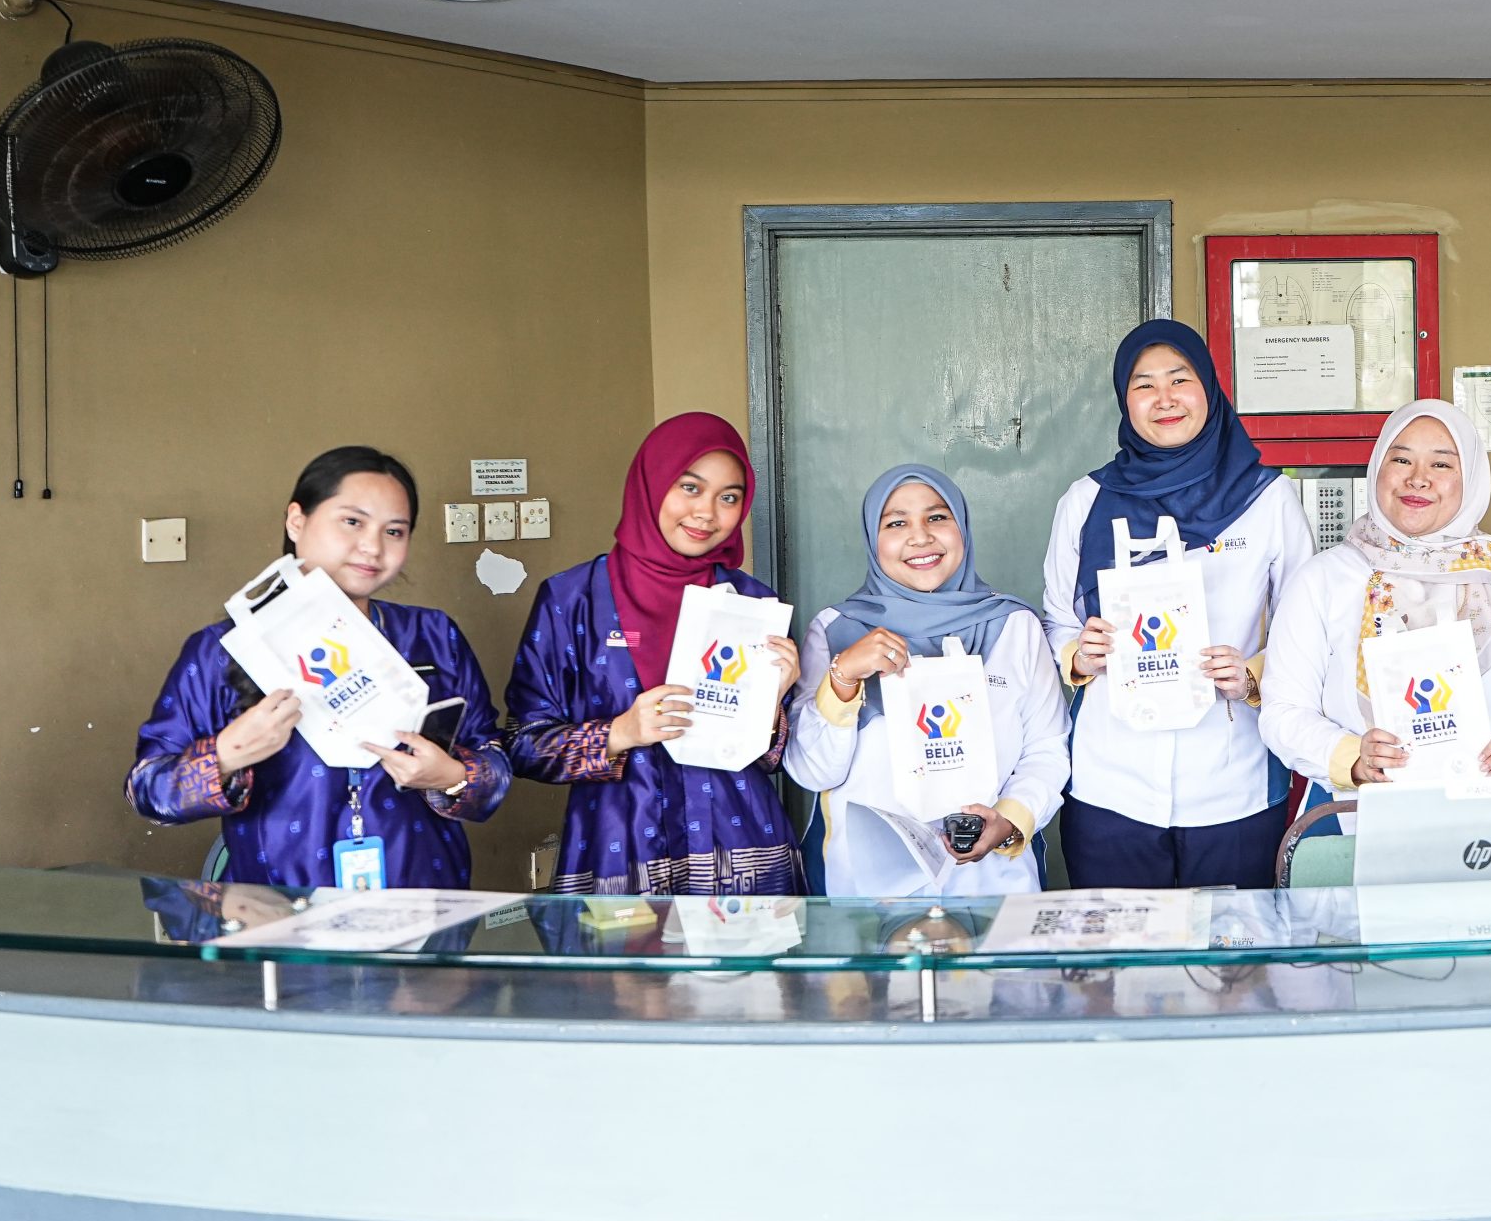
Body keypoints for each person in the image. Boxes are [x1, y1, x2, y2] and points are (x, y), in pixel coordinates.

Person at [127, 446, 511, 888]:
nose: (372, 547)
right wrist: (225, 756)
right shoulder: (223, 650)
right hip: (279, 906)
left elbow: (495, 763)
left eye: (394, 531)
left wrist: (454, 778)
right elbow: (148, 791)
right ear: (297, 521)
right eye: (352, 522)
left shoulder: (433, 635)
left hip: (426, 898)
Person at [1040, 319, 1314, 889]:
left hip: (1233, 782)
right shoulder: (1086, 500)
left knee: (1230, 944)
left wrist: (1252, 675)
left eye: (1179, 379)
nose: (1164, 398)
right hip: (1110, 785)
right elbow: (1057, 620)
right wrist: (1078, 655)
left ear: (1208, 387)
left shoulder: (1267, 499)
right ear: (1125, 400)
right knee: (1120, 942)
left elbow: (1305, 632)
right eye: (1143, 385)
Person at [506, 413, 801, 894]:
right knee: (629, 950)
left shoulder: (751, 603)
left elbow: (776, 759)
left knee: (757, 950)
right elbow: (523, 745)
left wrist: (771, 705)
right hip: (618, 854)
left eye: (729, 497)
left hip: (743, 852)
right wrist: (621, 732)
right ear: (652, 483)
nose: (707, 512)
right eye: (690, 488)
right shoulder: (573, 599)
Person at [1260, 400, 1491, 802]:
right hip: (1355, 811)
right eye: (1402, 460)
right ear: (1378, 468)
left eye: (1441, 464)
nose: (1418, 479)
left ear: (1471, 478)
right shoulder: (1322, 579)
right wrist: (1351, 759)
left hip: (1489, 812)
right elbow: (1283, 710)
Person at [789, 464, 1070, 897]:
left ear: (963, 528)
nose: (920, 537)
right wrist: (844, 677)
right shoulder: (835, 630)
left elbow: (1046, 749)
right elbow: (813, 771)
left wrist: (1010, 820)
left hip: (993, 885)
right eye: (896, 523)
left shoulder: (1014, 626)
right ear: (871, 538)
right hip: (865, 890)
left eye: (937, 517)